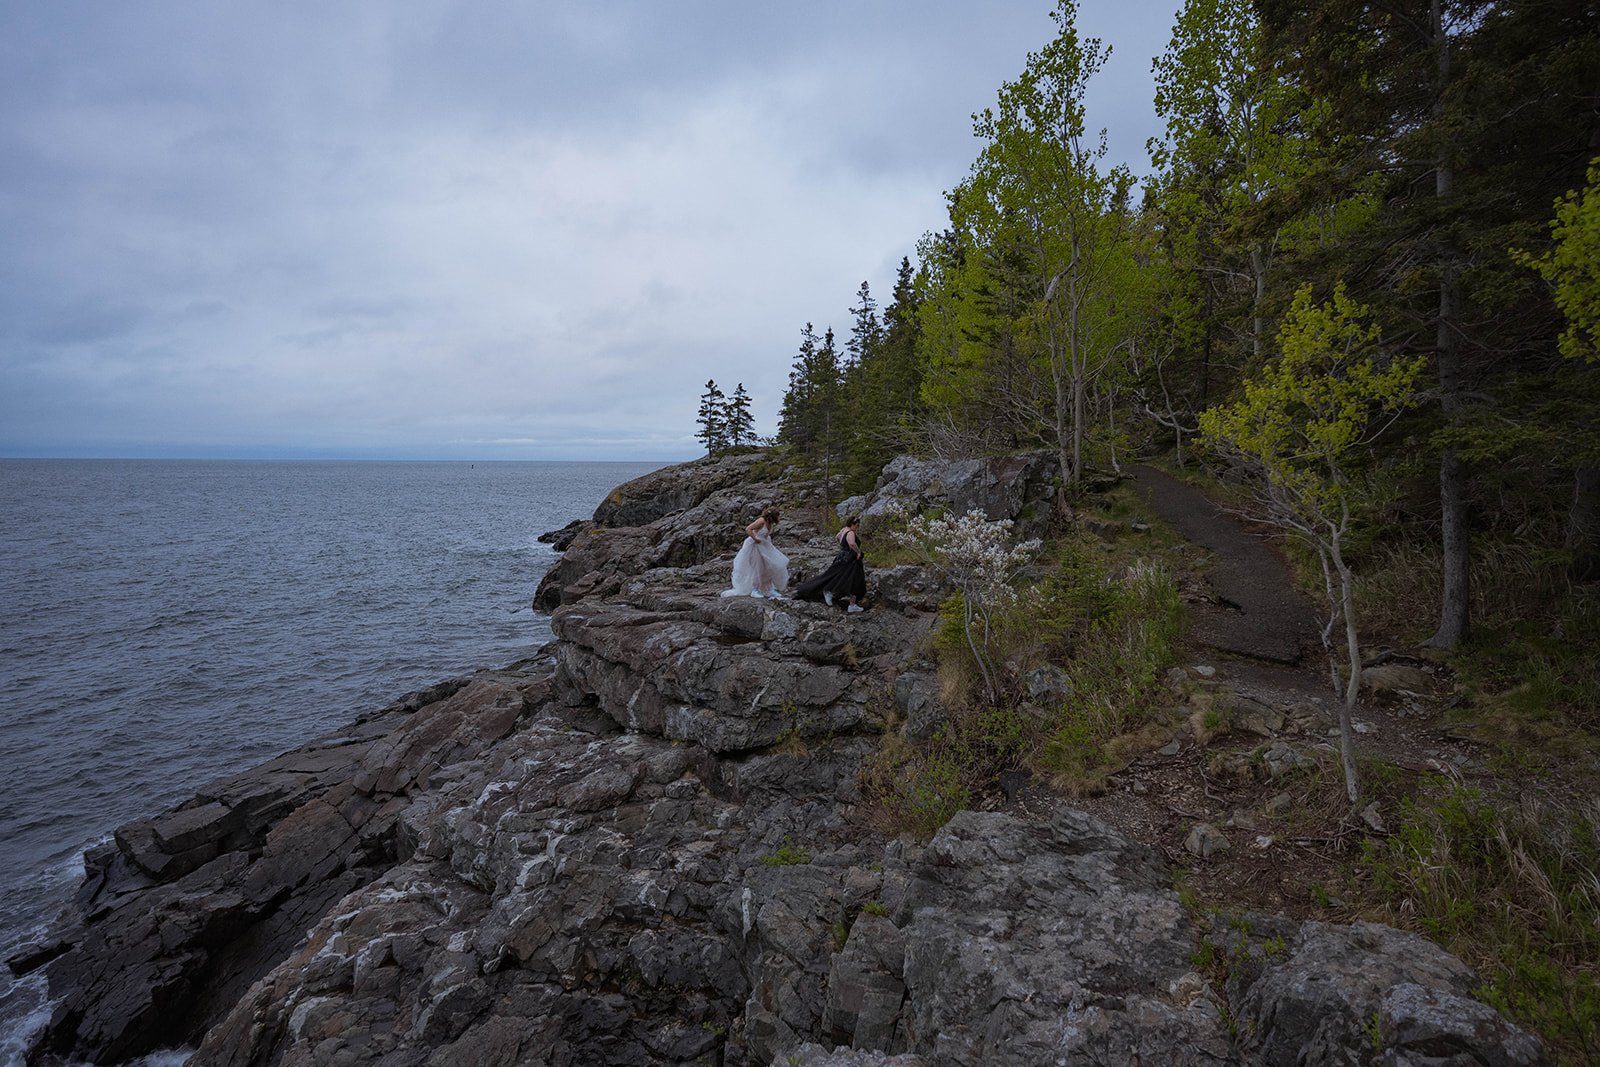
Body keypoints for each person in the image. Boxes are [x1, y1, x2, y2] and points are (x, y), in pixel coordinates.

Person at [794, 515, 866, 612]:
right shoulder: (850, 533)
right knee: (854, 579)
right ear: (852, 524)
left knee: (837, 576)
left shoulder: (844, 530)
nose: (857, 528)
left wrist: (843, 547)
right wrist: (858, 552)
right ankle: (850, 603)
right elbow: (852, 543)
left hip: (842, 556)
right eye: (857, 526)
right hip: (850, 559)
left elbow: (837, 537)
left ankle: (832, 592)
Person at [721, 506, 789, 598]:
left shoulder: (769, 523)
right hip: (755, 546)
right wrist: (755, 539)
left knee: (767, 566)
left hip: (764, 546)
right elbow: (748, 529)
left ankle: (769, 589)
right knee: (757, 567)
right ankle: (755, 589)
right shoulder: (761, 521)